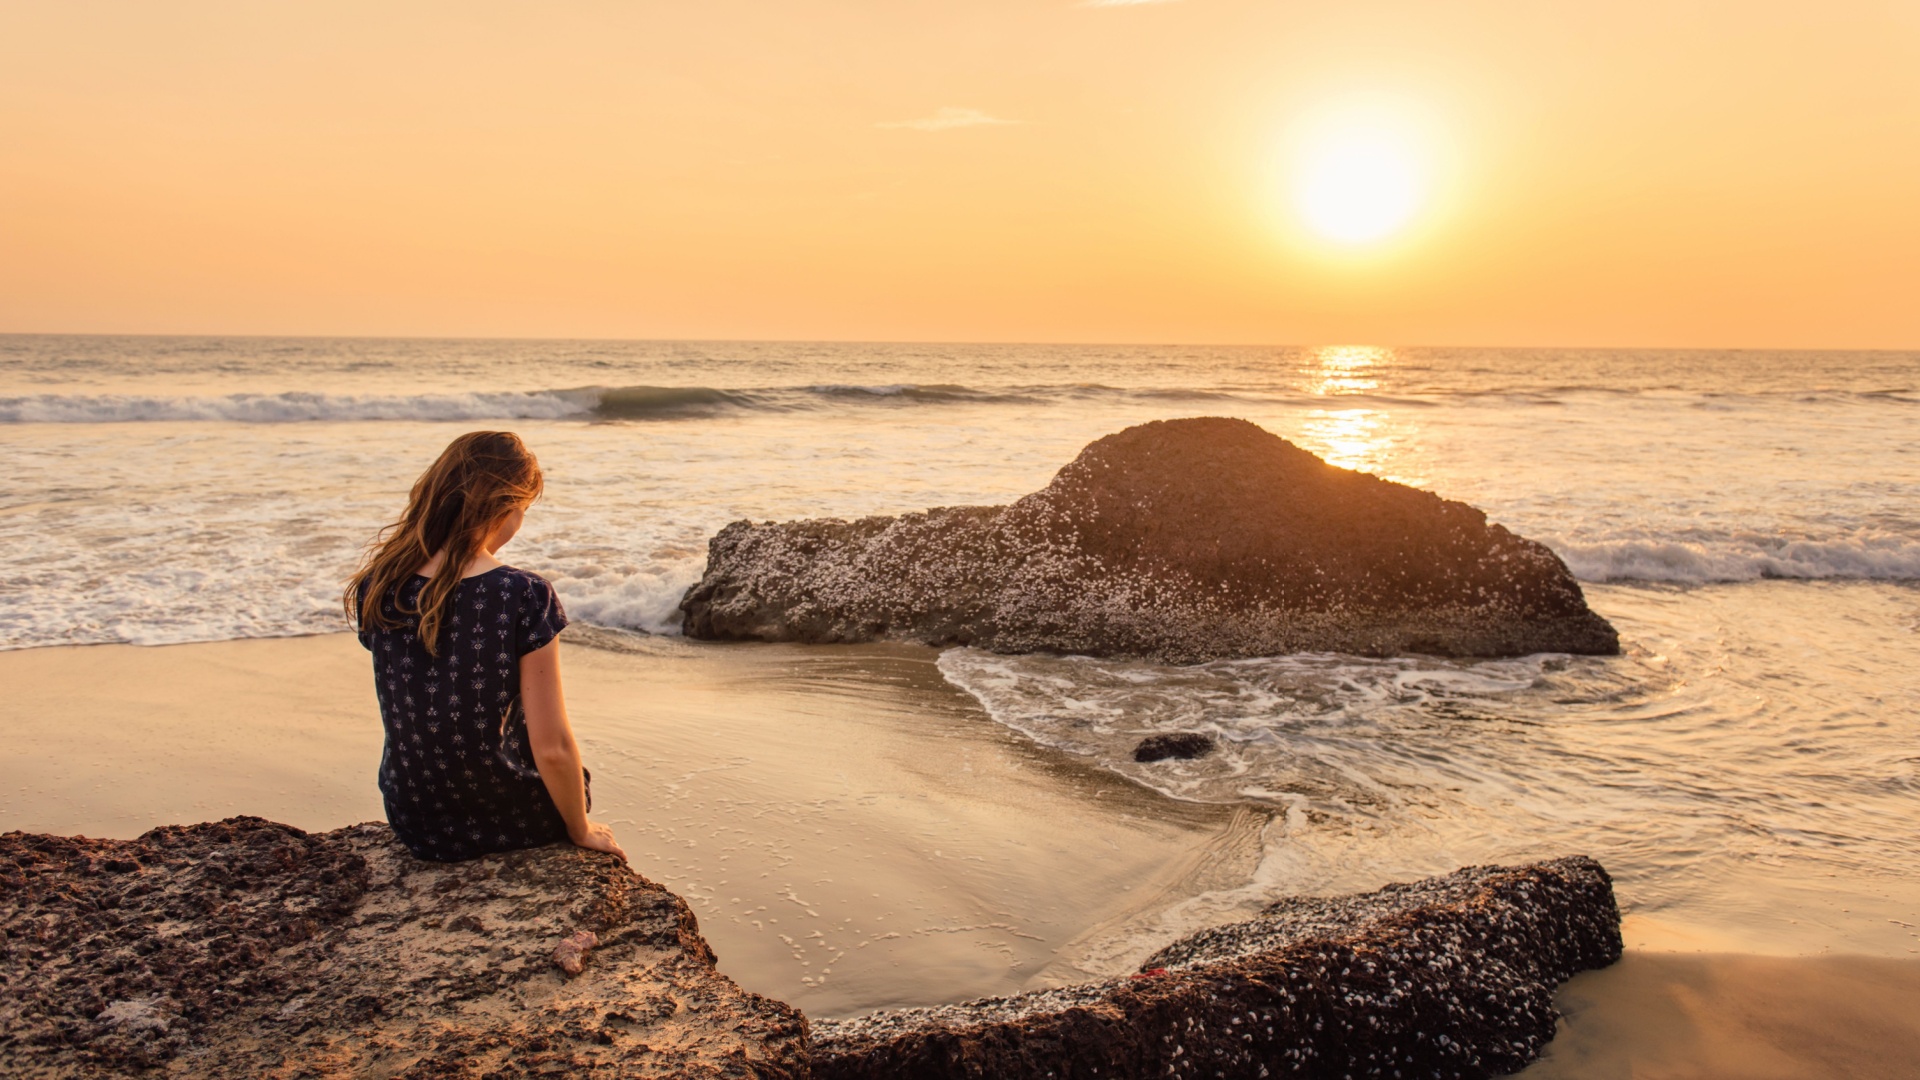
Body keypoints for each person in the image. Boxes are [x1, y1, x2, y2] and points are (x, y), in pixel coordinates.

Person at [344, 431, 625, 863]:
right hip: (508, 818)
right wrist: (579, 828)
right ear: (504, 508)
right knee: (575, 778)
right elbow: (552, 746)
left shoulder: (379, 583)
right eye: (523, 510)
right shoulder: (523, 593)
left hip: (416, 819)